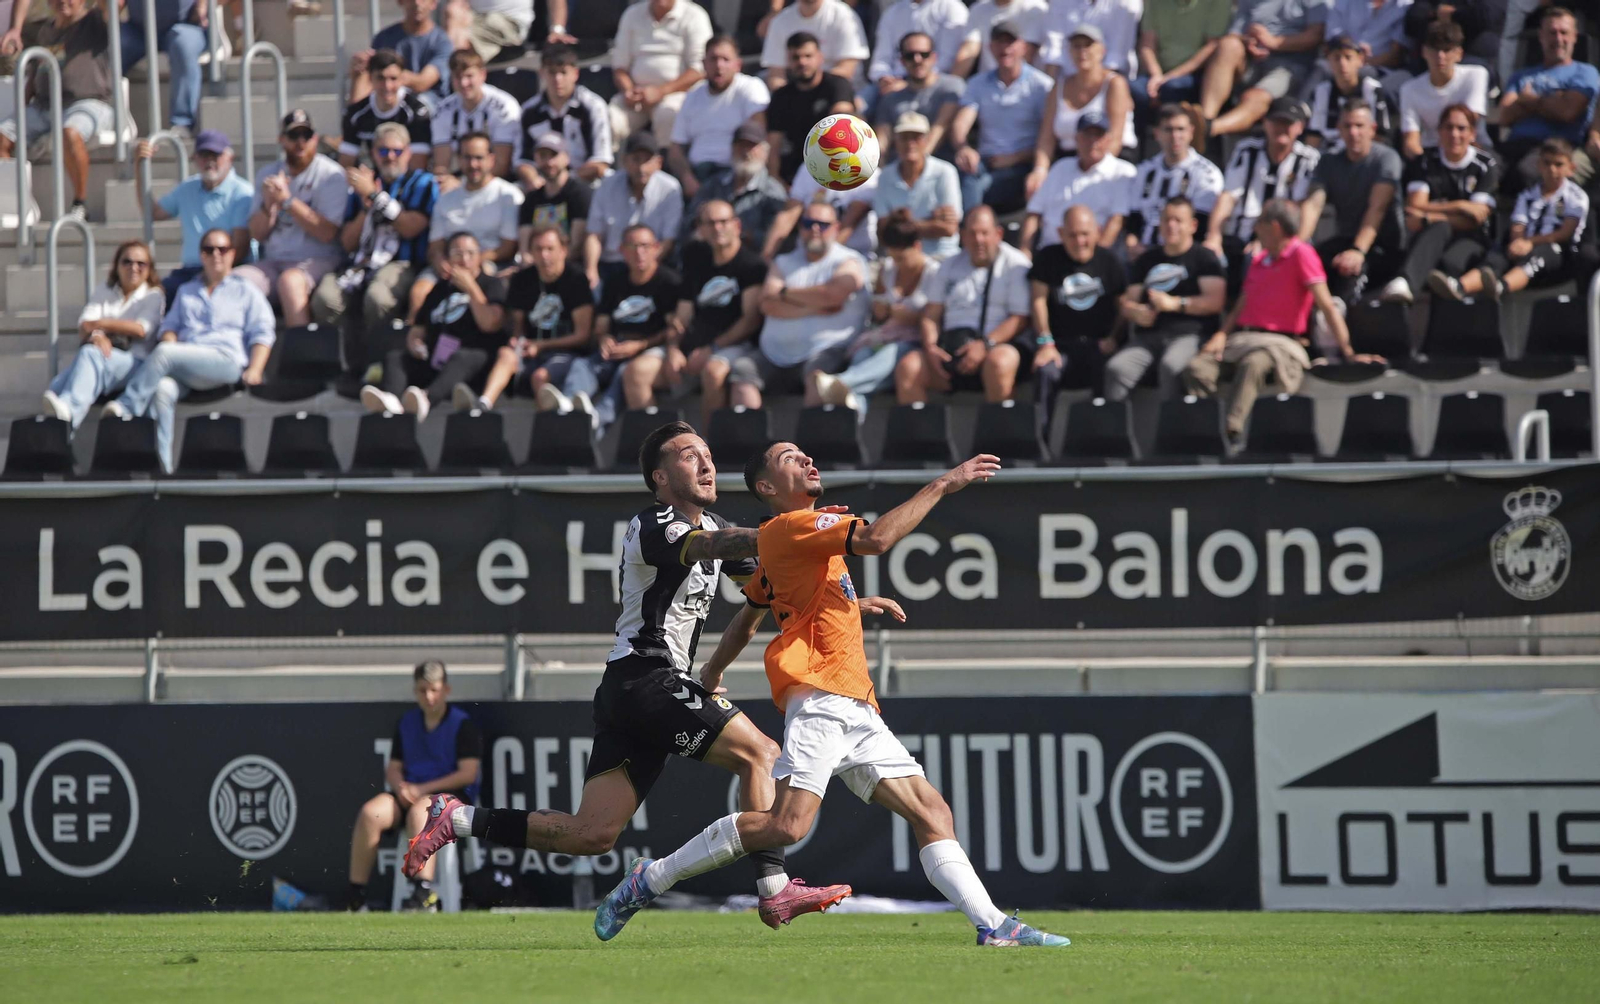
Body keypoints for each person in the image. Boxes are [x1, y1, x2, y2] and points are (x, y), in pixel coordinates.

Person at [593, 445, 1071, 950]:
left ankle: (993, 925)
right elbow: (877, 538)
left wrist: (712, 672)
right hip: (821, 698)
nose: (805, 460)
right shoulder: (797, 527)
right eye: (788, 457)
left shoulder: (796, 539)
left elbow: (751, 614)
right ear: (767, 488)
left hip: (855, 703)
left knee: (931, 812)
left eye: (805, 454)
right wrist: (943, 484)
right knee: (785, 825)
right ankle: (652, 878)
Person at [404, 422, 854, 933]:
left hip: (634, 692)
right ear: (660, 477)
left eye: (708, 454)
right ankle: (774, 889)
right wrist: (796, 531)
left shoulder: (716, 528)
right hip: (647, 679)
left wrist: (846, 604)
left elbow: (770, 588)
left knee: (590, 835)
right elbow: (721, 546)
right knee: (762, 754)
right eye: (689, 456)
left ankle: (456, 818)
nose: (706, 464)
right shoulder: (656, 522)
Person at [1184, 198, 1379, 450]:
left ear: (1274, 227)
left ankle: (1232, 433)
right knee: (1197, 368)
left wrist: (1349, 352)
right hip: (1242, 340)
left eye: (1260, 222)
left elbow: (1327, 306)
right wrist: (1221, 334)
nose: (1255, 228)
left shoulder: (1302, 253)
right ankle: (1203, 432)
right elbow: (1242, 305)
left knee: (1253, 364)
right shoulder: (1259, 259)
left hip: (1281, 344)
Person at [103, 230, 274, 472]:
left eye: (222, 249)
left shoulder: (246, 290)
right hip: (189, 364)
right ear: (201, 255)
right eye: (208, 249)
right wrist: (171, 339)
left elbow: (263, 332)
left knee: (165, 353)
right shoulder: (187, 291)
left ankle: (128, 406)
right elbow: (169, 328)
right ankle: (162, 468)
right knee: (162, 390)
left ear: (232, 254)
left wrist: (256, 369)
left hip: (226, 362)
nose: (216, 254)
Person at [346, 661, 482, 913]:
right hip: (409, 793)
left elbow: (468, 774)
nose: (429, 696)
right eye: (422, 690)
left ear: (446, 690)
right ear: (415, 691)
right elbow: (394, 767)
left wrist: (422, 790)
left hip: (449, 799)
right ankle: (356, 897)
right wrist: (401, 788)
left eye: (434, 690)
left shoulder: (463, 725)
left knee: (422, 811)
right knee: (370, 813)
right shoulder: (406, 723)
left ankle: (423, 892)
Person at [312, 122, 440, 379]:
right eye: (383, 151)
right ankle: (345, 366)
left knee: (378, 298)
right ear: (373, 154)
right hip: (361, 262)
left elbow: (410, 228)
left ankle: (379, 365)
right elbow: (348, 242)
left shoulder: (422, 182)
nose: (390, 157)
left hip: (403, 261)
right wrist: (365, 205)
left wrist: (376, 196)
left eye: (396, 151)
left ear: (407, 153)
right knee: (326, 299)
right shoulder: (361, 187)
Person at [898, 205, 1041, 409]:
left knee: (1000, 362)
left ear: (998, 234)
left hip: (996, 346)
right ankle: (921, 438)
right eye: (972, 234)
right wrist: (931, 348)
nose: (978, 240)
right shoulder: (947, 266)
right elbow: (931, 315)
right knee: (909, 367)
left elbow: (1019, 319)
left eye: (984, 233)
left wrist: (985, 345)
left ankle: (999, 435)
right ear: (962, 236)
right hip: (951, 349)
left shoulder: (1016, 264)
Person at [730, 201, 868, 410]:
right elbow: (767, 304)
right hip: (773, 354)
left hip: (825, 352)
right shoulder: (784, 261)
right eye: (808, 223)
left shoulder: (849, 260)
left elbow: (833, 294)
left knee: (819, 379)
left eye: (822, 224)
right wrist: (812, 308)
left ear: (836, 228)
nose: (814, 229)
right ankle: (754, 442)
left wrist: (785, 293)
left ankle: (812, 442)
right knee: (742, 371)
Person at [361, 231, 508, 422]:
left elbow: (490, 324)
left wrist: (471, 288)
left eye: (471, 253)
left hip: (473, 364)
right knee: (396, 358)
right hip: (437, 360)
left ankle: (426, 399)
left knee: (465, 356)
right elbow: (418, 328)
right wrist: (415, 343)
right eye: (458, 254)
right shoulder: (440, 288)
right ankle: (392, 403)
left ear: (479, 256)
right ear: (447, 259)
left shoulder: (492, 284)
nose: (465, 260)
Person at [810, 209, 938, 413]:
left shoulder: (934, 273)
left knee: (892, 353)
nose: (897, 264)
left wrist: (911, 317)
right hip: (883, 336)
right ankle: (851, 418)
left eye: (902, 258)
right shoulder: (887, 268)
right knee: (862, 361)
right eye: (894, 258)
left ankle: (841, 382)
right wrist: (883, 310)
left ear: (917, 246)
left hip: (914, 342)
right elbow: (878, 315)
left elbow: (936, 317)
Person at [1431, 138, 1588, 302]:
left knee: (1543, 252)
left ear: (1571, 168)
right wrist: (1517, 242)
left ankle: (1500, 287)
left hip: (1559, 256)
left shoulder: (1575, 196)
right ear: (1539, 165)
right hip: (1525, 248)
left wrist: (1530, 242)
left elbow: (1565, 232)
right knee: (1498, 256)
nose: (1552, 169)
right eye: (1547, 163)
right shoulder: (1527, 195)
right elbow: (1518, 225)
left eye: (1558, 164)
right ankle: (1459, 287)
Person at [0, 0, 114, 220]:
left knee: (70, 132)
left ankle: (80, 204)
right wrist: (21, 112)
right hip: (44, 106)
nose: (63, 2)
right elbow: (34, 75)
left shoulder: (96, 20)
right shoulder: (45, 31)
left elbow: (113, 6)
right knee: (1, 137)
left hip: (88, 102)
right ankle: (15, 203)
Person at [238, 110, 350, 328]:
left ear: (315, 139)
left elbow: (327, 233)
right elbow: (257, 234)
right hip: (274, 260)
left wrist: (288, 201)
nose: (300, 143)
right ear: (282, 140)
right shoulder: (268, 174)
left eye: (306, 136)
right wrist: (268, 204)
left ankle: (300, 355)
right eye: (293, 136)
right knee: (235, 282)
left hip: (318, 258)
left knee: (290, 281)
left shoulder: (331, 175)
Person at [564, 224, 682, 430]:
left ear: (656, 248)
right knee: (582, 366)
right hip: (616, 347)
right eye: (632, 246)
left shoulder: (669, 282)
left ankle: (598, 418)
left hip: (650, 349)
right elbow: (601, 325)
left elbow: (672, 330)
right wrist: (604, 339)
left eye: (645, 246)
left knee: (625, 372)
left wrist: (641, 345)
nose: (639, 252)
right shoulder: (614, 282)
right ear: (621, 250)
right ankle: (567, 408)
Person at [41, 240, 166, 431]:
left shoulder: (154, 295)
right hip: (105, 358)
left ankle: (69, 413)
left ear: (150, 269)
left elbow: (141, 330)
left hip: (137, 363)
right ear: (117, 266)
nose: (134, 267)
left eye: (141, 263)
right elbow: (84, 326)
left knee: (89, 355)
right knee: (58, 384)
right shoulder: (104, 290)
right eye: (127, 262)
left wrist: (100, 326)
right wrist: (97, 336)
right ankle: (60, 440)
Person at [1109, 197, 1223, 401]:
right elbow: (1128, 302)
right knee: (1117, 369)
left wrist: (1175, 304)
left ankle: (1170, 430)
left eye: (1178, 220)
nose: (1171, 225)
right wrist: (1135, 312)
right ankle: (1113, 430)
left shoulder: (1204, 258)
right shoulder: (1146, 260)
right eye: (1166, 220)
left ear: (1193, 225)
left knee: (1171, 366)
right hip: (1148, 338)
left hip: (1190, 336)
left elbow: (1215, 302)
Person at [1203, 97, 1320, 293]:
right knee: (1209, 256)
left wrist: (1269, 240)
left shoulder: (1308, 159)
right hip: (1241, 234)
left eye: (1288, 124)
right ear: (1265, 123)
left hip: (1284, 235)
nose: (1281, 129)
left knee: (1257, 259)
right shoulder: (1246, 150)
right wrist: (1213, 235)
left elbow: (1300, 208)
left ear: (1300, 127)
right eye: (1276, 122)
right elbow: (1228, 196)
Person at [475, 222, 594, 412]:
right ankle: (483, 405)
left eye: (550, 249)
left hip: (566, 353)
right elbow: (518, 325)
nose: (544, 255)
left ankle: (549, 429)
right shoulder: (522, 279)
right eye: (538, 249)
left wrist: (541, 346)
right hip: (530, 349)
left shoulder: (576, 279)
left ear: (563, 250)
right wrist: (518, 340)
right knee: (506, 354)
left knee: (540, 376)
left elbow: (583, 335)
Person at [1389, 103, 1501, 306]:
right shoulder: (1425, 162)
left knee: (1447, 264)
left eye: (1461, 128)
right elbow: (1415, 204)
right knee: (1439, 229)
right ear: (1439, 131)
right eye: (1448, 127)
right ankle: (1404, 284)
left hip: (1473, 238)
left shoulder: (1485, 165)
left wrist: (1430, 214)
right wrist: (1461, 205)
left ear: (1472, 134)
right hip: (1432, 235)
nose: (1454, 134)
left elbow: (1475, 219)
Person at [408, 131, 521, 320]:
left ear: (491, 159)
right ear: (459, 160)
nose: (473, 164)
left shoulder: (508, 195)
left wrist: (471, 262)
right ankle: (415, 342)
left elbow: (507, 247)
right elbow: (435, 246)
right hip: (450, 266)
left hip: (490, 265)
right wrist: (439, 260)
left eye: (479, 158)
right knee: (419, 292)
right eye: (467, 158)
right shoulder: (446, 199)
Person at [1303, 100, 1406, 306]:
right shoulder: (1329, 162)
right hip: (1344, 241)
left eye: (1359, 126)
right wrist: (1296, 247)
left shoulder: (1387, 158)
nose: (1353, 132)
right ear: (1339, 130)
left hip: (1381, 246)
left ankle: (1342, 324)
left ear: (1372, 129)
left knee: (1350, 274)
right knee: (1308, 263)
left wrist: (1358, 251)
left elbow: (1377, 208)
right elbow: (1313, 205)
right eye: (1347, 126)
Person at [675, 201, 769, 427]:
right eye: (710, 223)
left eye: (723, 222)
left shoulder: (751, 265)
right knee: (637, 372)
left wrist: (712, 349)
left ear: (737, 225)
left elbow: (750, 320)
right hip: (694, 346)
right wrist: (672, 349)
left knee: (713, 371)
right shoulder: (695, 259)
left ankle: (708, 446)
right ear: (701, 228)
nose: (717, 228)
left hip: (738, 346)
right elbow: (682, 314)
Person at [135, 130, 254, 304]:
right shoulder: (187, 188)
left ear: (230, 157)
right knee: (154, 300)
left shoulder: (242, 192)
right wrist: (140, 167)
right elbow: (152, 212)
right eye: (204, 154)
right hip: (189, 272)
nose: (209, 160)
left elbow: (240, 247)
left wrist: (210, 276)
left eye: (216, 154)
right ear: (194, 158)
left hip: (227, 271)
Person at [949, 21, 1054, 214]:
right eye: (999, 42)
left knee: (976, 185)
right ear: (990, 47)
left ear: (1023, 46)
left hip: (1023, 163)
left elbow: (1049, 135)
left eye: (1010, 42)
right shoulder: (977, 84)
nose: (1005, 48)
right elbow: (961, 123)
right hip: (985, 162)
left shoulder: (1042, 86)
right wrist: (963, 147)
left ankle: (969, 231)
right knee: (966, 171)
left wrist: (1016, 157)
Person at [1194, 0, 1330, 140]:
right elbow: (1235, 33)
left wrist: (1274, 42)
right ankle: (1204, 118)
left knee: (1254, 96)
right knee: (1228, 46)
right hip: (1252, 62)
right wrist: (1248, 40)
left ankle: (1207, 130)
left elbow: (1316, 35)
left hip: (1290, 67)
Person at [1497, 7, 1598, 190]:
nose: (1558, 39)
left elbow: (1567, 112)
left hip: (1555, 147)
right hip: (1514, 145)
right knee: (1481, 167)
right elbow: (1504, 116)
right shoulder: (1521, 75)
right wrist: (1554, 100)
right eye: (1552, 33)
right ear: (1541, 36)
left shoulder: (1585, 73)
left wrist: (1528, 101)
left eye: (1564, 33)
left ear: (1575, 36)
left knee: (1531, 171)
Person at [1028, 205, 1127, 391]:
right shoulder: (1047, 258)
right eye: (1072, 235)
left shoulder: (1110, 261)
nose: (1080, 241)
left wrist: (1114, 338)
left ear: (1098, 232)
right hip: (1059, 346)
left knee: (1110, 371)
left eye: (1085, 234)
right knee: (1045, 372)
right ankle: (1041, 422)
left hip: (1098, 345)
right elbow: (1038, 301)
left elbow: (1123, 305)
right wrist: (1045, 343)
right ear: (1060, 233)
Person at [668, 36, 772, 201]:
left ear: (738, 65)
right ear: (704, 64)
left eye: (725, 59)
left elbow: (759, 136)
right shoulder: (692, 96)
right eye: (713, 59)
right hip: (697, 174)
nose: (719, 65)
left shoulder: (751, 88)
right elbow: (675, 149)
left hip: (734, 174)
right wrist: (687, 179)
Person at [1021, 112, 1137, 253]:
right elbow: (1034, 213)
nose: (1092, 141)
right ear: (1076, 138)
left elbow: (1117, 220)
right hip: (1049, 255)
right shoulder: (1060, 167)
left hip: (1090, 256)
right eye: (1087, 135)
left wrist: (1096, 260)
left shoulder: (1122, 172)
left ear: (1108, 139)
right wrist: (1025, 250)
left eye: (1098, 135)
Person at [586, 133, 684, 292]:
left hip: (651, 265)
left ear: (659, 163)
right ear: (624, 161)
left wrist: (642, 266)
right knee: (590, 288)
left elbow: (668, 240)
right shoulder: (607, 186)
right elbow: (594, 235)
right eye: (636, 159)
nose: (641, 167)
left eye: (647, 160)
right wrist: (590, 270)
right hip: (611, 264)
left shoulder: (670, 189)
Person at [610, 0, 714, 148]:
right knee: (610, 120)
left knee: (667, 116)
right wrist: (628, 90)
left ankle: (666, 168)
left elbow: (700, 69)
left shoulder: (695, 15)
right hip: (636, 96)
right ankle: (613, 169)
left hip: (677, 93)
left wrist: (661, 91)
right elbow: (619, 66)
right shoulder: (632, 14)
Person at [1127, 103, 1225, 259]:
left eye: (1180, 129)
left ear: (1191, 132)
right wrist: (1132, 245)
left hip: (1185, 255)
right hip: (1144, 253)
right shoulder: (1144, 171)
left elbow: (1201, 225)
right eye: (1168, 129)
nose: (1175, 136)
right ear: (1157, 133)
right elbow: (1133, 220)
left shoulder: (1206, 173)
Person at [683, 122, 789, 259]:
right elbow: (690, 221)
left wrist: (740, 234)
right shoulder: (714, 184)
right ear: (732, 149)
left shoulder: (773, 192)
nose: (746, 152)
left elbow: (776, 237)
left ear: (765, 152)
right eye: (741, 146)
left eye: (752, 146)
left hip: (751, 262)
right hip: (709, 257)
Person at [1033, 24, 1136, 162]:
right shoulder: (1058, 87)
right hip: (1068, 161)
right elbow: (1046, 139)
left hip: (1112, 160)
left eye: (1088, 45)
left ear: (1102, 50)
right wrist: (1040, 169)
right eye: (1077, 46)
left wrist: (1091, 174)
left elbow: (1115, 138)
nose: (1082, 51)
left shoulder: (1115, 84)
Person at [516, 44, 614, 187]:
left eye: (563, 72)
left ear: (575, 73)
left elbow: (600, 162)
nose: (557, 79)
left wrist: (563, 182)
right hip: (542, 186)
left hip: (583, 184)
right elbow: (521, 162)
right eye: (551, 72)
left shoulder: (593, 107)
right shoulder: (529, 111)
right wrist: (535, 181)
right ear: (541, 73)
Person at [766, 31, 857, 185]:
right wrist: (776, 181)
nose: (802, 62)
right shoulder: (781, 97)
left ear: (820, 58)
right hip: (792, 175)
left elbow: (844, 124)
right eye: (796, 57)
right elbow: (773, 146)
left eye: (808, 56)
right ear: (788, 61)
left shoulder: (837, 85)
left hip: (835, 168)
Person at [873, 112, 963, 260]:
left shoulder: (945, 172)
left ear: (926, 140)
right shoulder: (885, 177)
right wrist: (930, 222)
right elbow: (883, 231)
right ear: (896, 141)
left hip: (940, 257)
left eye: (916, 137)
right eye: (904, 137)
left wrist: (900, 224)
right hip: (901, 259)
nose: (910, 143)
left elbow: (949, 228)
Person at [1398, 20, 1490, 161]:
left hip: (1473, 151)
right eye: (1434, 49)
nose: (1440, 56)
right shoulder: (1409, 89)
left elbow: (1469, 123)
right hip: (1431, 156)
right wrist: (1424, 166)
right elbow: (1411, 141)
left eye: (1447, 50)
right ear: (1424, 52)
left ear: (1459, 54)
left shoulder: (1476, 75)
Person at [431, 48, 522, 186]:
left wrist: (463, 185)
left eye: (469, 76)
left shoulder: (504, 107)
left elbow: (501, 166)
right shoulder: (442, 110)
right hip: (459, 181)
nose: (463, 83)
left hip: (497, 182)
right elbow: (442, 165)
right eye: (457, 77)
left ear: (482, 75)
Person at [120, 0, 209, 139]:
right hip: (137, 30)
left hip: (185, 25)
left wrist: (202, 4)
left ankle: (182, 123)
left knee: (183, 45)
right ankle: (110, 117)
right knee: (114, 42)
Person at [873, 32, 966, 160]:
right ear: (902, 60)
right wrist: (876, 170)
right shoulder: (890, 98)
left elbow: (941, 126)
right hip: (898, 171)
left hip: (942, 167)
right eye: (910, 55)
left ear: (934, 57)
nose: (917, 60)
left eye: (924, 54)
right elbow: (882, 141)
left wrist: (916, 167)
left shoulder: (951, 86)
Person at [339, 49, 434, 170]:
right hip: (369, 178)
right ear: (370, 78)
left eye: (393, 78)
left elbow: (417, 166)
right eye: (380, 78)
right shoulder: (355, 114)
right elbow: (346, 164)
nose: (387, 86)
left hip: (407, 182)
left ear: (402, 78)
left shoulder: (416, 112)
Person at [1133, 0, 1232, 117]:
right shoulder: (1154, 2)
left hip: (1195, 74)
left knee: (1172, 88)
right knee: (1135, 89)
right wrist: (1156, 75)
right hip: (1159, 75)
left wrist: (1170, 77)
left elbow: (1212, 46)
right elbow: (1147, 44)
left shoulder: (1219, 2)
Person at [1303, 34, 1398, 155]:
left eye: (1348, 57)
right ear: (1328, 61)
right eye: (1336, 58)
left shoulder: (1372, 89)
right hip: (1330, 157)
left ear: (1360, 60)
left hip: (1364, 155)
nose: (1342, 64)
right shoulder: (1321, 91)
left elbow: (1380, 135)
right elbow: (1314, 137)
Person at [350, 0, 453, 105]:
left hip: (429, 106)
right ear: (400, 1)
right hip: (390, 99)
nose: (417, 3)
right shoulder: (384, 37)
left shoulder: (442, 42)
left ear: (433, 3)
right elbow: (370, 80)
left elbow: (423, 83)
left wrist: (390, 75)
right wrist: (359, 72)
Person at [769, 168, 880, 260]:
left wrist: (817, 265)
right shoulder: (811, 165)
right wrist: (766, 258)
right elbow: (788, 215)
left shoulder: (870, 174)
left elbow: (848, 225)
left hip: (853, 257)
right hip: (805, 255)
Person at [759, 0, 870, 91]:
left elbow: (847, 69)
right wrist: (789, 97)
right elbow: (776, 75)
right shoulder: (780, 21)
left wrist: (811, 90)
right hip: (796, 94)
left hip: (846, 91)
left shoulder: (844, 15)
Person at [870, 0, 980, 88]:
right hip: (891, 82)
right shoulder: (892, 11)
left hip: (934, 83)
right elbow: (881, 58)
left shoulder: (952, 7)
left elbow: (947, 60)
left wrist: (911, 83)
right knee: (859, 104)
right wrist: (883, 77)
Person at [517, 133, 591, 255]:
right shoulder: (531, 199)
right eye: (543, 156)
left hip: (570, 267)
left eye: (554, 155)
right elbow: (524, 248)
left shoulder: (580, 193)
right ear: (535, 159)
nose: (549, 162)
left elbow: (576, 245)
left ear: (567, 158)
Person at [1042, 0, 1143, 80]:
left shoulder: (1127, 2)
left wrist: (1096, 93)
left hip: (1110, 82)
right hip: (1063, 82)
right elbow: (1054, 51)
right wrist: (1050, 92)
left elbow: (1115, 58)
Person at [442, 0, 548, 63]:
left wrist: (557, 29)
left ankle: (451, 80)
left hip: (510, 22)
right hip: (475, 18)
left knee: (464, 36)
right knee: (453, 10)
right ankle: (452, 75)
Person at [1323, 0, 1411, 75]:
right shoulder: (1343, 2)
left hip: (1380, 71)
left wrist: (1361, 62)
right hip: (1338, 64)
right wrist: (1351, 49)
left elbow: (1396, 55)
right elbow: (1332, 38)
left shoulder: (1405, 6)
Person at [967, 0, 1048, 75]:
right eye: (1001, 41)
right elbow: (969, 49)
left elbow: (1028, 55)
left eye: (1009, 41)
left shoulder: (1035, 8)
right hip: (987, 84)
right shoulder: (978, 8)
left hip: (1026, 85)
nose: (1004, 47)